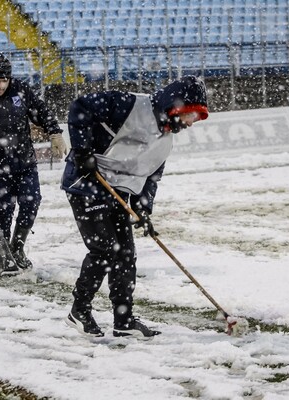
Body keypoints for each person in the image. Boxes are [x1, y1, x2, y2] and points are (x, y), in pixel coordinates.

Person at [61, 75, 209, 338]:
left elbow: (151, 176)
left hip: (117, 191)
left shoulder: (165, 139)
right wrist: (82, 152)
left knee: (125, 254)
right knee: (104, 249)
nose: (191, 123)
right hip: (87, 181)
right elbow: (80, 107)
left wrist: (143, 210)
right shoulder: (129, 105)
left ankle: (123, 320)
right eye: (192, 115)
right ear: (177, 108)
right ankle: (79, 311)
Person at [0, 53, 67, 273]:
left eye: (2, 81)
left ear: (9, 79)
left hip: (24, 162)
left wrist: (55, 132)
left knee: (31, 201)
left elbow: (41, 111)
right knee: (2, 214)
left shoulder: (21, 90)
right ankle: (4, 256)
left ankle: (17, 248)